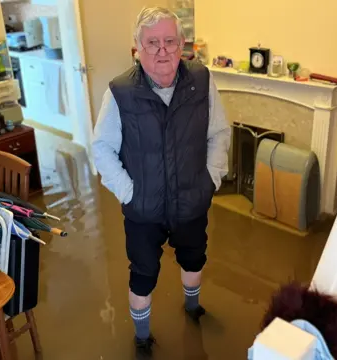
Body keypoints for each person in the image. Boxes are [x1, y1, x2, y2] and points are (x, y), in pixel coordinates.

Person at [92, 6, 231, 355]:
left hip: (190, 200)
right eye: (152, 42)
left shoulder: (202, 81)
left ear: (183, 44)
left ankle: (192, 307)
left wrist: (210, 179)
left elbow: (220, 134)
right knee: (143, 272)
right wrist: (128, 192)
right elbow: (101, 149)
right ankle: (141, 336)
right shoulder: (120, 92)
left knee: (194, 258)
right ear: (137, 47)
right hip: (144, 209)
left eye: (170, 41)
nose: (162, 50)